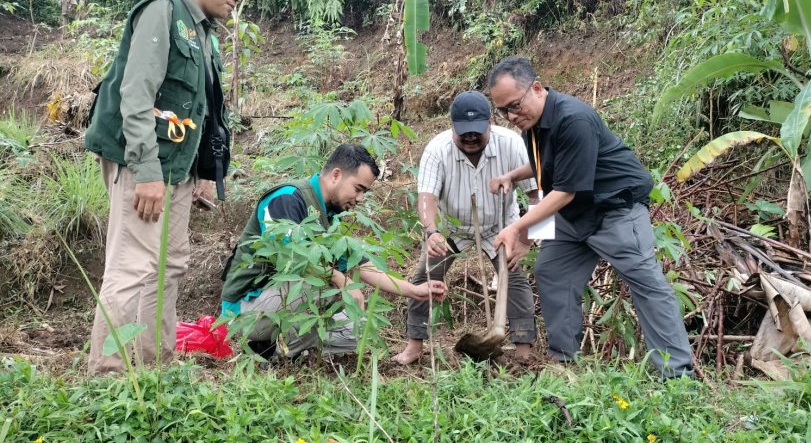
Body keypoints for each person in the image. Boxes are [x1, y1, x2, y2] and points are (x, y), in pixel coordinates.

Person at [84, 0, 254, 374]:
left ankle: (155, 364)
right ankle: (108, 379)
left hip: (176, 169)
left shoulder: (203, 33)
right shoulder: (163, 12)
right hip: (143, 164)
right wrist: (147, 172)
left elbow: (202, 111)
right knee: (133, 267)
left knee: (170, 264)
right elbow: (135, 96)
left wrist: (203, 173)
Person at [488, 57, 693, 377]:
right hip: (574, 215)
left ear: (537, 88)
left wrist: (517, 228)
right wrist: (513, 176)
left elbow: (565, 190)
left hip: (615, 211)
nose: (512, 116)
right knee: (552, 271)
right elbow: (549, 173)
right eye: (503, 112)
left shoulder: (573, 119)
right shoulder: (532, 124)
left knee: (648, 287)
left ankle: (677, 375)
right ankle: (564, 361)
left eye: (515, 106)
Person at [221, 144, 447, 359]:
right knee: (320, 283)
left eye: (364, 192)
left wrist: (414, 290)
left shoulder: (328, 215)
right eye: (358, 189)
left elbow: (361, 266)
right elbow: (293, 259)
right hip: (244, 310)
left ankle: (274, 350)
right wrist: (341, 280)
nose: (360, 198)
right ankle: (266, 345)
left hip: (278, 307)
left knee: (357, 329)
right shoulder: (287, 198)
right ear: (336, 175)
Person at [394, 91, 538, 365]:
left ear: (490, 124)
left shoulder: (512, 144)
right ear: (452, 126)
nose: (471, 138)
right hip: (452, 229)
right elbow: (427, 197)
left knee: (516, 282)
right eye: (464, 133)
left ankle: (523, 353)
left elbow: (536, 194)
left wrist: (526, 240)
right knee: (424, 277)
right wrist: (431, 230)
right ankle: (414, 346)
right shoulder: (437, 150)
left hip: (501, 227)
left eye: (477, 132)